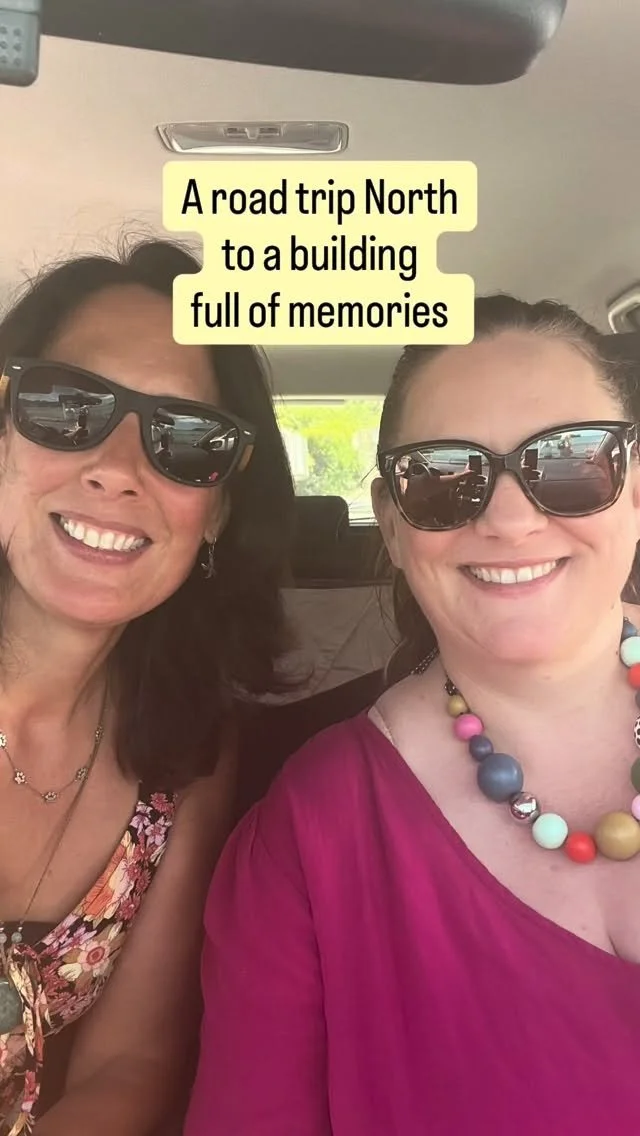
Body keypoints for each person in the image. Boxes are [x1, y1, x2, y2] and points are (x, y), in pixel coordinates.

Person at [184, 295, 640, 1135]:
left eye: (570, 460)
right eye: (442, 475)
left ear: (634, 490)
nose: (510, 519)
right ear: (392, 526)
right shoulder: (310, 836)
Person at [0, 237, 294, 1135]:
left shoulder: (188, 749)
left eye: (187, 438)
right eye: (67, 407)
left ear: (221, 510)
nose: (119, 470)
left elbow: (133, 1063)